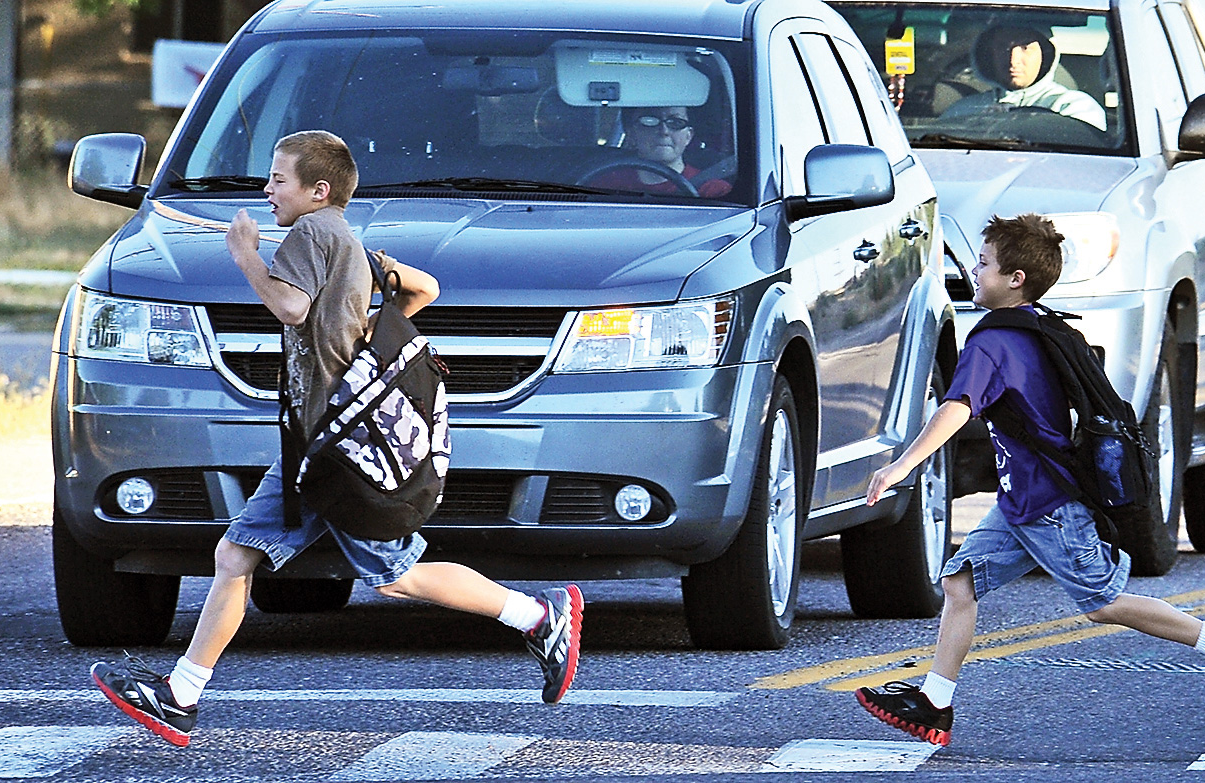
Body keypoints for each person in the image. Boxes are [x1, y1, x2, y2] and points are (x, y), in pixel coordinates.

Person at [89, 130, 584, 748]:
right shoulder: (350, 241)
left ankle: (539, 616)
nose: (267, 189)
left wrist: (245, 256)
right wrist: (362, 334)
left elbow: (291, 309)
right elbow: (425, 288)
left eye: (278, 179)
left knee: (390, 572)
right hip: (324, 440)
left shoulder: (311, 233)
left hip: (330, 446)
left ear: (317, 190)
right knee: (242, 556)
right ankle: (181, 695)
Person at [853, 213, 1205, 747]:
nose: (974, 274)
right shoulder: (1037, 326)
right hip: (1023, 501)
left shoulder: (992, 344)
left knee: (1102, 604)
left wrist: (901, 465)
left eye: (983, 265)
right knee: (959, 584)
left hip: (1047, 504)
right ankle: (936, 702)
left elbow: (957, 408)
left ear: (1015, 278)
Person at [942, 25, 1107, 131]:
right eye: (1002, 48)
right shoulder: (964, 110)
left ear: (1046, 53)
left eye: (1025, 47)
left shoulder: (1074, 107)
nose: (1013, 60)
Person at [589, 106, 732, 198]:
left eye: (675, 122)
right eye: (649, 121)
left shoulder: (713, 191)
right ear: (631, 134)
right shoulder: (603, 185)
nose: (664, 131)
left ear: (689, 136)